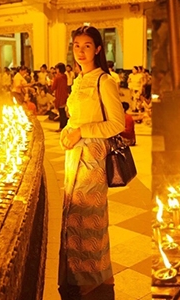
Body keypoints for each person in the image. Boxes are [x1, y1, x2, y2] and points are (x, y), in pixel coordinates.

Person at [58, 25, 124, 300]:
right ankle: (75, 272)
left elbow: (117, 123)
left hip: (94, 160)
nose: (81, 51)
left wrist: (83, 131)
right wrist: (67, 134)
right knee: (73, 217)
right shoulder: (77, 81)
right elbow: (74, 119)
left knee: (90, 220)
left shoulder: (104, 82)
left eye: (87, 45)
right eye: (76, 45)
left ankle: (94, 278)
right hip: (74, 157)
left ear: (98, 49)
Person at [50, 63, 69, 132]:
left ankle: (62, 127)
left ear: (58, 69)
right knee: (63, 112)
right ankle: (64, 126)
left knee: (61, 113)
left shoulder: (57, 78)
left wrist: (51, 83)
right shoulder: (65, 76)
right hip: (64, 95)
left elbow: (53, 87)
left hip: (60, 95)